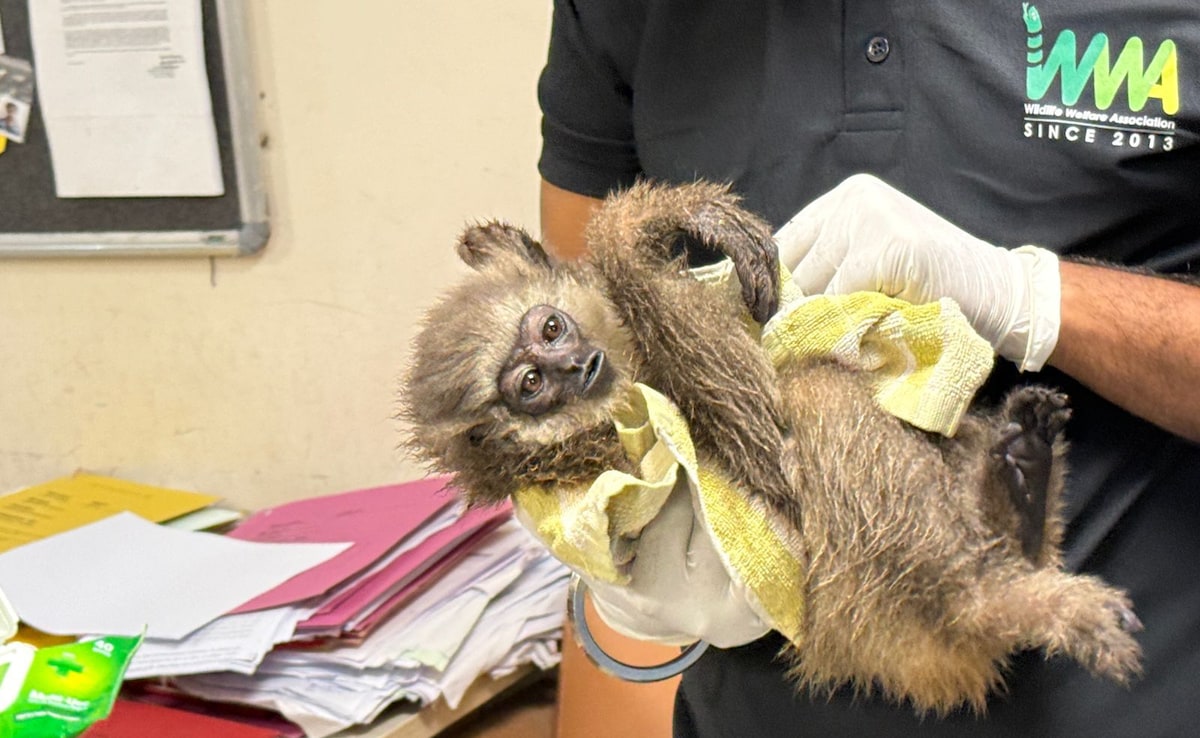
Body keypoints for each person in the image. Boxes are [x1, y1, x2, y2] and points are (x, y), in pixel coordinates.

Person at [535, 2, 1200, 736]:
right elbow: (583, 332)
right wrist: (612, 582)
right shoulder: (621, 14)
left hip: (1125, 694)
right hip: (765, 695)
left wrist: (1032, 299)